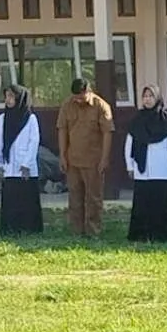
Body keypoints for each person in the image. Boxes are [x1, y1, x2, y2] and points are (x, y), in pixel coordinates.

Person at [123, 85, 167, 243]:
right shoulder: (136, 119)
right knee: (142, 204)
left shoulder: (166, 118)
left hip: (162, 170)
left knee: (161, 203)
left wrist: (163, 155)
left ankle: (162, 235)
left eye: (151, 96)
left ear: (157, 98)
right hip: (142, 169)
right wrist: (130, 165)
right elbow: (129, 144)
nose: (147, 99)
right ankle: (141, 235)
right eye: (145, 96)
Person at [57, 78, 114, 238]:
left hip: (94, 161)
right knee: (74, 197)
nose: (78, 100)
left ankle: (93, 231)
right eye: (75, 97)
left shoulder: (101, 106)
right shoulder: (67, 105)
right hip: (72, 160)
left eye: (81, 97)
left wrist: (104, 159)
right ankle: (76, 231)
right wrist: (62, 155)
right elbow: (62, 130)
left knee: (93, 198)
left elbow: (107, 133)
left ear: (89, 92)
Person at [0, 84, 44, 236]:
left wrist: (26, 164)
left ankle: (29, 228)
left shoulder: (30, 118)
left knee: (27, 199)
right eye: (6, 96)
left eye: (11, 96)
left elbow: (34, 142)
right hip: (9, 167)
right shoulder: (3, 118)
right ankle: (10, 228)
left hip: (25, 167)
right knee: (10, 199)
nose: (7, 100)